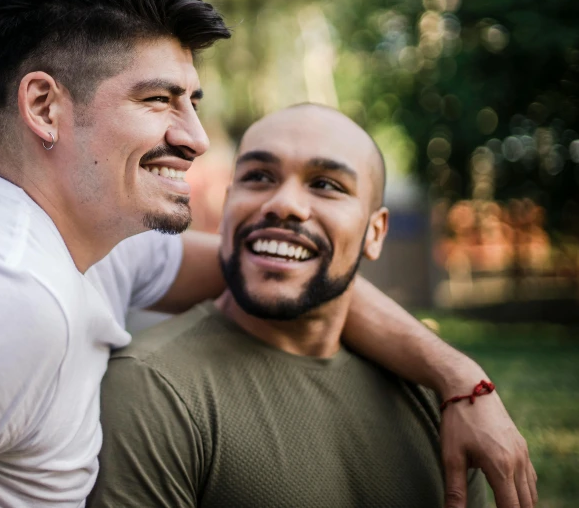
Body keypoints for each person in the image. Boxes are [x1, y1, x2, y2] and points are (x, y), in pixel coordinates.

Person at [0, 0, 534, 507]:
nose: (195, 136)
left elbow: (271, 260)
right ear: (45, 107)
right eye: (158, 101)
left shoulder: (82, 243)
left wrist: (460, 379)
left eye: (191, 101)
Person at [88, 105, 528, 508]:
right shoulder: (152, 390)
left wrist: (462, 380)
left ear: (375, 233)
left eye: (325, 185)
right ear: (227, 206)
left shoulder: (442, 398)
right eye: (259, 177)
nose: (284, 204)